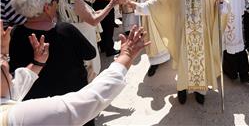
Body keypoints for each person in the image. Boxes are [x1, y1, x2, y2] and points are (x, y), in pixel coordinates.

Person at [127, 0, 228, 105]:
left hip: (202, 37)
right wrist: (137, 6)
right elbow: (158, 2)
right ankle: (182, 88)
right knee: (184, 62)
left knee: (200, 64)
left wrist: (221, 1)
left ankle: (200, 90)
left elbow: (224, 9)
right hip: (183, 35)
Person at [1, 25, 149, 126]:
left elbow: (15, 87)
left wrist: (37, 63)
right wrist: (126, 56)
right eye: (5, 68)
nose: (7, 66)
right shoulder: (18, 115)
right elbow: (88, 100)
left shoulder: (6, 98)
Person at [9, 0, 96, 100]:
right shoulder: (65, 30)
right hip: (72, 100)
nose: (57, 2)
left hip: (35, 103)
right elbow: (90, 53)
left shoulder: (15, 33)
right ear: (47, 7)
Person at [132, 0, 170, 77]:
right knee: (150, 38)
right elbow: (135, 1)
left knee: (163, 36)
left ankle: (167, 56)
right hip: (147, 18)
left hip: (160, 14)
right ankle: (154, 63)